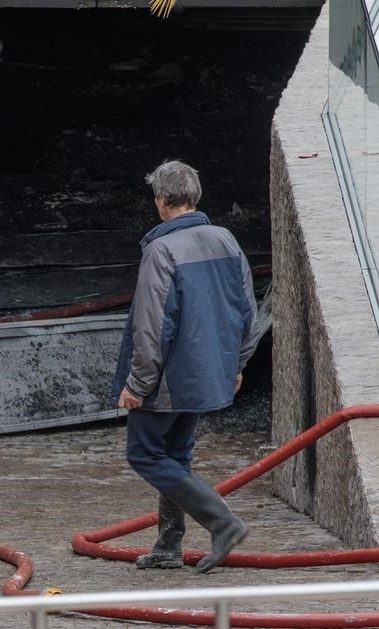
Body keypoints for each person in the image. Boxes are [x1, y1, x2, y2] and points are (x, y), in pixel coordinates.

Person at [112, 160, 256, 575]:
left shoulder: (161, 250)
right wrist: (237, 362)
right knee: (175, 455)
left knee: (145, 454)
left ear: (161, 200)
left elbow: (153, 325)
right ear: (195, 197)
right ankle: (168, 546)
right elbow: (247, 309)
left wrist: (138, 384)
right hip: (207, 371)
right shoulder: (226, 240)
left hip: (168, 378)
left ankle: (222, 522)